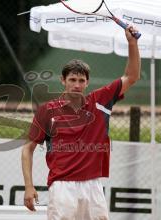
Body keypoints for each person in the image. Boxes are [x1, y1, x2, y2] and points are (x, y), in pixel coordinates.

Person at [21, 25, 140, 220]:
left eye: (81, 80)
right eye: (72, 79)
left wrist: (132, 43)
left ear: (87, 82)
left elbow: (132, 76)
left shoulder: (100, 101)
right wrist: (28, 186)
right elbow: (27, 149)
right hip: (62, 186)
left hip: (93, 185)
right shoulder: (47, 110)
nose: (77, 84)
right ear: (63, 81)